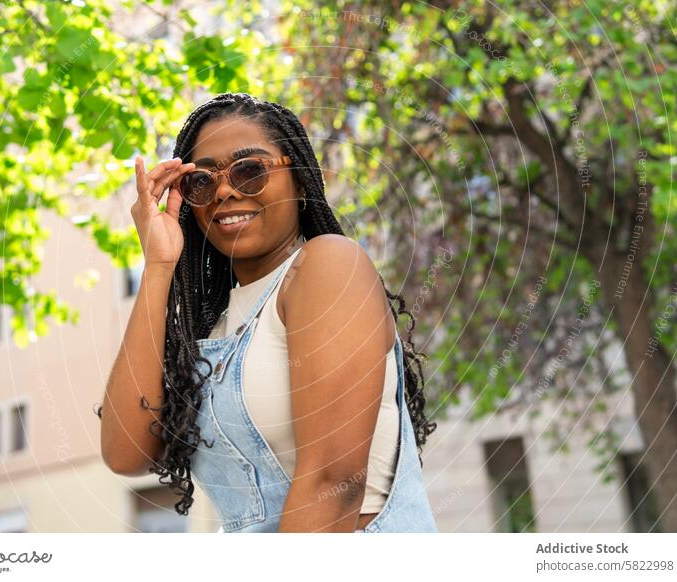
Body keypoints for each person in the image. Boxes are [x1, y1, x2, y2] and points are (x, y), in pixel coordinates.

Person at [98, 93, 438, 533]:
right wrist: (159, 266)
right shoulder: (215, 327)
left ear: (297, 179)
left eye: (250, 170)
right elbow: (127, 453)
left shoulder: (329, 266)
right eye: (201, 180)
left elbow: (332, 485)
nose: (224, 189)